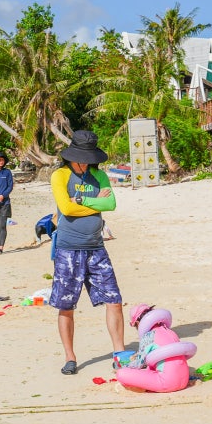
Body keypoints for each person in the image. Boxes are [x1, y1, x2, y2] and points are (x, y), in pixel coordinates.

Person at [48, 130, 125, 376]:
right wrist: (91, 201)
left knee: (114, 301)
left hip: (96, 248)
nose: (84, 163)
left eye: (88, 158)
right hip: (68, 249)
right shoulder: (59, 175)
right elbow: (66, 209)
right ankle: (70, 357)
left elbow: (110, 204)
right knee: (66, 305)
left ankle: (119, 353)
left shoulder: (99, 175)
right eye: (81, 158)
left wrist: (80, 199)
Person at [115, 304, 197, 393]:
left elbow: (138, 364)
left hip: (167, 383)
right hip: (184, 380)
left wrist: (123, 366)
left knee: (121, 374)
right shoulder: (170, 332)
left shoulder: (148, 336)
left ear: (138, 323)